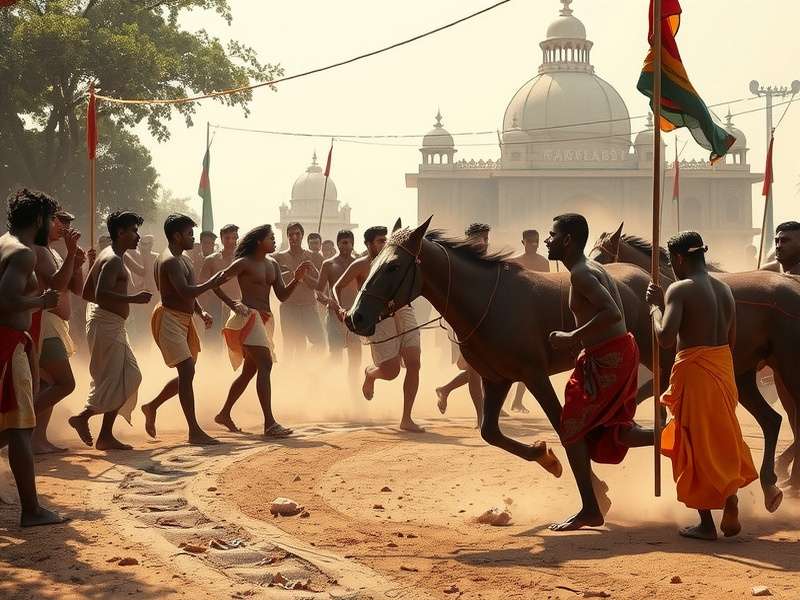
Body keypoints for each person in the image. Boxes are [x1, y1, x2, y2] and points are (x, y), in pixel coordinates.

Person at [647, 231, 758, 540]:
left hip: (695, 372)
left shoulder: (679, 290)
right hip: (722, 367)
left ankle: (707, 523)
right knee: (723, 435)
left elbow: (665, 338)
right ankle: (729, 494)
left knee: (693, 443)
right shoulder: (725, 289)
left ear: (679, 259)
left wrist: (654, 308)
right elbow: (732, 340)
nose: (672, 268)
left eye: (671, 262)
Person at [546, 213, 653, 531]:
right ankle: (677, 436)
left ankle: (590, 508)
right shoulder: (590, 269)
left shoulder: (582, 273)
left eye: (552, 235)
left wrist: (571, 337)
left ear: (567, 240)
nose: (548, 240)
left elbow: (612, 312)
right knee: (614, 429)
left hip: (609, 358)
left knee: (572, 428)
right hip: (608, 353)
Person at [0, 188, 66, 526]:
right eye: (51, 218)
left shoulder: (4, 243)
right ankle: (32, 510)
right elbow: (6, 301)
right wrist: (40, 302)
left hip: (9, 344)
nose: (53, 225)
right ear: (38, 219)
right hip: (10, 346)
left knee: (9, 425)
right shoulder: (23, 253)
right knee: (21, 428)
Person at [213, 225, 312, 437]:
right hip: (249, 318)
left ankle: (223, 413)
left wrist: (297, 278)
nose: (274, 241)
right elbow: (215, 283)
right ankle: (269, 423)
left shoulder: (273, 264)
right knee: (265, 363)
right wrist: (233, 304)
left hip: (266, 320)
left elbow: (282, 295)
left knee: (250, 371)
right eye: (271, 238)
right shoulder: (244, 263)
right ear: (259, 241)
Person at [140, 214, 228, 445]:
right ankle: (194, 431)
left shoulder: (185, 258)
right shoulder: (168, 260)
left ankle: (151, 406)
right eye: (189, 234)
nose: (192, 238)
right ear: (177, 236)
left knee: (186, 373)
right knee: (187, 371)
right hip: (169, 319)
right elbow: (185, 291)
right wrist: (212, 283)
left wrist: (201, 312)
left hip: (185, 320)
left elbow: (189, 291)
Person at [68, 211, 153, 450]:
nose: (137, 236)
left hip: (110, 324)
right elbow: (100, 293)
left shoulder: (113, 256)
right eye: (133, 231)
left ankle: (105, 434)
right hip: (106, 325)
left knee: (128, 376)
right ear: (120, 232)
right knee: (113, 378)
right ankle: (83, 418)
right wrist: (133, 299)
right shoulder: (113, 258)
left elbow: (87, 293)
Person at [334, 225, 424, 433]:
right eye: (380, 241)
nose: (384, 244)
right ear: (368, 244)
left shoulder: (394, 259)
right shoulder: (361, 265)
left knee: (414, 362)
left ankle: (407, 418)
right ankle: (370, 374)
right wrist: (341, 309)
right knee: (391, 372)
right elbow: (336, 287)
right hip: (381, 319)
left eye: (386, 240)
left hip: (404, 312)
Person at [32, 208, 86, 453]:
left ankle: (37, 438)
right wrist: (71, 256)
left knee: (49, 383)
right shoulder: (38, 251)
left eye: (68, 222)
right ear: (46, 221)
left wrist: (77, 263)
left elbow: (77, 289)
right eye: (60, 221)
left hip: (56, 326)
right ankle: (12, 426)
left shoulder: (54, 252)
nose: (65, 227)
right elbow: (55, 285)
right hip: (44, 324)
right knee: (65, 383)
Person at [435, 223, 492, 426]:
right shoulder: (458, 261)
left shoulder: (489, 262)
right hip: (463, 322)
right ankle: (481, 417)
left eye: (486, 238)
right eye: (480, 239)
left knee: (485, 368)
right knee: (475, 369)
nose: (484, 243)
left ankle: (446, 389)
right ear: (469, 240)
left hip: (485, 322)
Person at [508, 229, 551, 413]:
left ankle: (517, 401)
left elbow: (548, 287)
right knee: (509, 360)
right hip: (515, 315)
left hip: (536, 316)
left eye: (536, 241)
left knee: (532, 360)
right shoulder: (515, 262)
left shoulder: (544, 262)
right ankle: (505, 400)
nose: (534, 244)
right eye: (530, 241)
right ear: (523, 241)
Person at [273, 222, 324, 360]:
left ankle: (308, 369)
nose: (294, 237)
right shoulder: (278, 258)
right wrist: (288, 274)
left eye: (297, 234)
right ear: (287, 236)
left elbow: (319, 285)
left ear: (302, 236)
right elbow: (273, 283)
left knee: (319, 342)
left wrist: (302, 275)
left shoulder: (314, 257)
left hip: (308, 306)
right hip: (289, 308)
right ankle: (291, 376)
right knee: (290, 345)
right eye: (290, 235)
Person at [316, 230, 361, 380]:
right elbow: (318, 292)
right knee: (336, 357)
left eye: (347, 243)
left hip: (354, 317)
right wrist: (329, 302)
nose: (344, 246)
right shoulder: (328, 264)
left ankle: (353, 386)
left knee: (356, 357)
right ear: (337, 244)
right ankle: (320, 378)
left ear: (353, 244)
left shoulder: (358, 264)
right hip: (335, 316)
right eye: (342, 243)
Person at [200, 224, 240, 342]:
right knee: (213, 344)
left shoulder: (242, 260)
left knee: (236, 346)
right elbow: (202, 286)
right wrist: (203, 311)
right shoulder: (211, 260)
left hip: (237, 306)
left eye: (234, 238)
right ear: (221, 239)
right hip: (214, 307)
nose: (231, 241)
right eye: (227, 238)